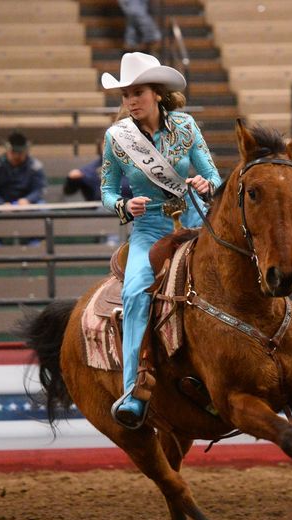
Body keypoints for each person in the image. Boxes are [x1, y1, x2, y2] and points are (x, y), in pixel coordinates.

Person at [100, 52, 222, 428]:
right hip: (150, 231)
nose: (131, 101)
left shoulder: (185, 127)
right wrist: (123, 204)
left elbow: (214, 178)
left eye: (137, 92)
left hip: (194, 224)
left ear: (157, 93)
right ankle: (133, 390)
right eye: (126, 95)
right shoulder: (117, 138)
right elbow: (105, 190)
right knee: (136, 291)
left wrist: (205, 184)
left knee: (249, 266)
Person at [0, 131, 47, 206]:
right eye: (13, 152)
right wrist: (0, 203)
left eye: (20, 153)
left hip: (27, 203)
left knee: (42, 206)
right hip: (1, 203)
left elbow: (39, 189)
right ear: (8, 150)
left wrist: (28, 199)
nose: (17, 156)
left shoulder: (35, 166)